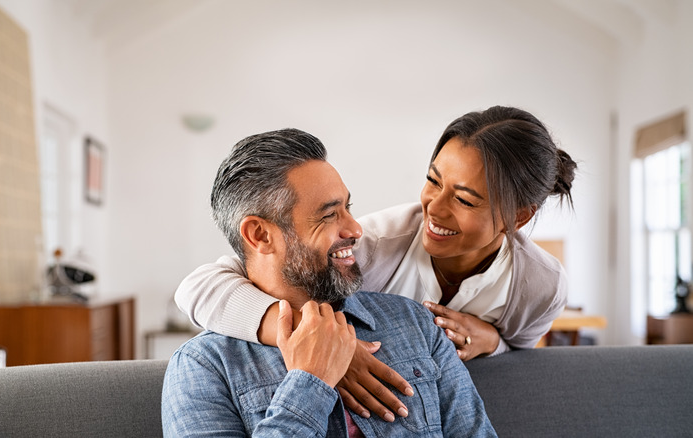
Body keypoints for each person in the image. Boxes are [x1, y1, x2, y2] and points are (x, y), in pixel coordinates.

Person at [175, 106, 577, 420]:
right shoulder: (374, 244)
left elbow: (521, 354)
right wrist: (320, 342)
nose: (433, 209)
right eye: (433, 180)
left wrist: (494, 342)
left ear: (518, 217)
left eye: (465, 199)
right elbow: (200, 287)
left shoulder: (540, 285)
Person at [161, 128, 496, 437]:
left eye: (348, 207)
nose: (355, 229)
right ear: (260, 235)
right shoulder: (203, 366)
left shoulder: (416, 324)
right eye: (329, 214)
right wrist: (311, 383)